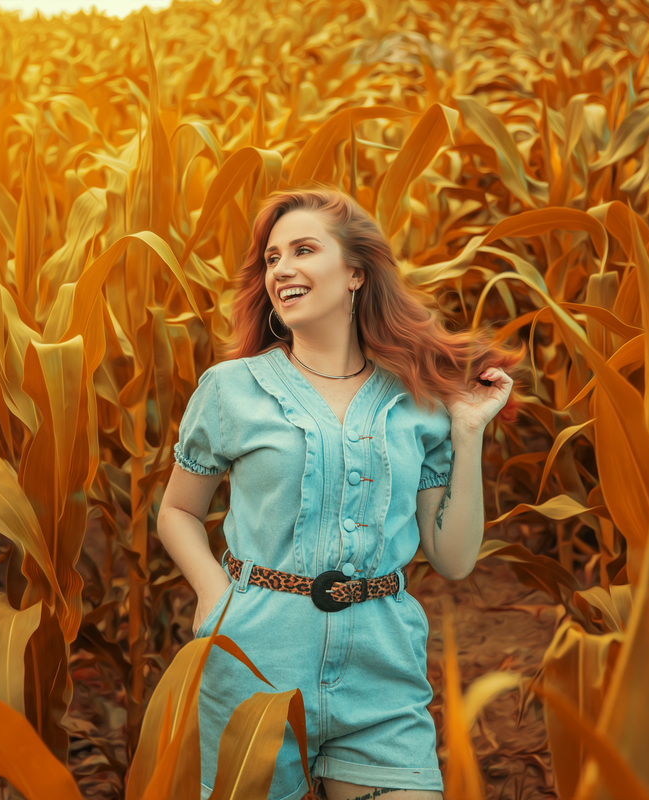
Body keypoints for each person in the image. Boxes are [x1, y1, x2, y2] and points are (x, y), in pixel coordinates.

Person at [156, 186, 517, 800]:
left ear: (355, 272)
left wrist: (468, 434)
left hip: (381, 671)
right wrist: (217, 598)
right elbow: (178, 511)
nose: (283, 270)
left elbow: (453, 560)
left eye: (302, 250)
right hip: (254, 664)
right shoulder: (231, 388)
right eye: (271, 258)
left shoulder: (418, 401)